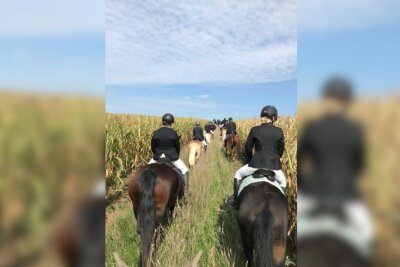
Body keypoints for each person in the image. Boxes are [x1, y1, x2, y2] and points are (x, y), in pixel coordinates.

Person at [297, 77, 373, 255]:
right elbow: (360, 165)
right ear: (347, 102)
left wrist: (304, 184)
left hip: (313, 193)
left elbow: (299, 160)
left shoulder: (313, 127)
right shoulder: (356, 129)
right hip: (347, 196)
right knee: (367, 238)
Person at [227, 106, 286, 209]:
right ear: (273, 118)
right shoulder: (279, 131)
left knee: (238, 174)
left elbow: (248, 148)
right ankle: (282, 207)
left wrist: (249, 160)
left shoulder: (255, 130)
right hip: (274, 167)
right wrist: (275, 159)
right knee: (283, 183)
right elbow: (281, 151)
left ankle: (236, 201)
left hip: (256, 164)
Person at [148, 113, 190, 195]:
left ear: (163, 122)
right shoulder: (173, 133)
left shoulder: (156, 132)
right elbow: (177, 147)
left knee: (145, 171)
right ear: (170, 123)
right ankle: (185, 191)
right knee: (185, 170)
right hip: (171, 157)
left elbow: (153, 146)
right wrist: (176, 155)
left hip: (157, 157)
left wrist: (156, 154)